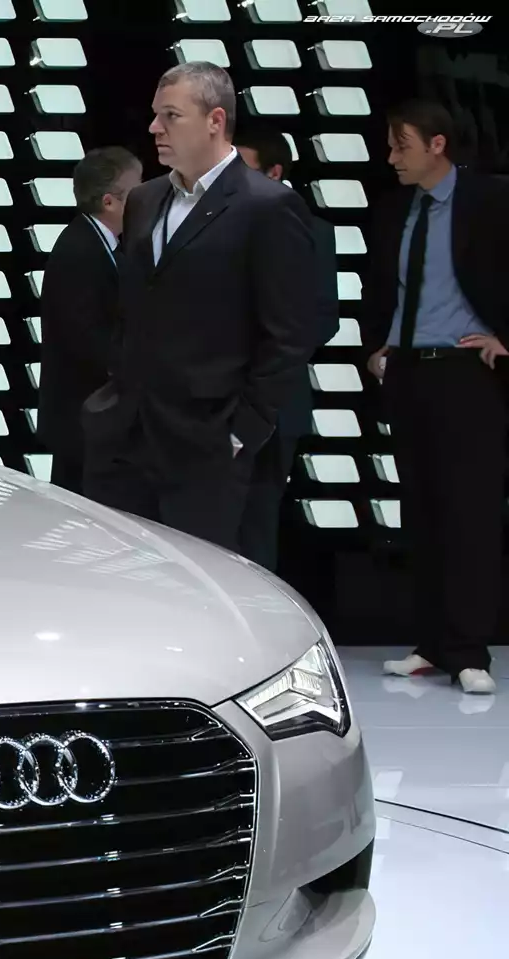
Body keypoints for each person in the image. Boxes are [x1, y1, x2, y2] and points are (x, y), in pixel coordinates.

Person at [80, 62, 316, 554]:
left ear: (215, 120)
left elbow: (289, 333)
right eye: (155, 114)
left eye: (170, 115)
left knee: (197, 585)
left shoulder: (267, 206)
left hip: (207, 446)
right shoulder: (145, 199)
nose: (154, 127)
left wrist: (241, 431)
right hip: (126, 437)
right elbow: (132, 309)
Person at [366, 100, 509, 696]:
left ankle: (468, 649)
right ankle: (429, 642)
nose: (392, 157)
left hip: (465, 373)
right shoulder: (396, 209)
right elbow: (382, 288)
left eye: (401, 145)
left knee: (469, 514)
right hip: (407, 372)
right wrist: (377, 346)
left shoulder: (491, 200)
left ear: (437, 145)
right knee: (419, 512)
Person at [233, 120, 340, 570]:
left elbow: (323, 318)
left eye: (243, 168)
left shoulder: (315, 231)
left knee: (260, 520)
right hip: (213, 400)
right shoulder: (215, 225)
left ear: (274, 172)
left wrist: (270, 358)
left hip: (278, 402)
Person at [37, 146, 140, 492]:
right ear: (110, 202)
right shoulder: (80, 250)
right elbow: (84, 335)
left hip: (90, 418)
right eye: (137, 191)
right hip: (81, 418)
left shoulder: (99, 244)